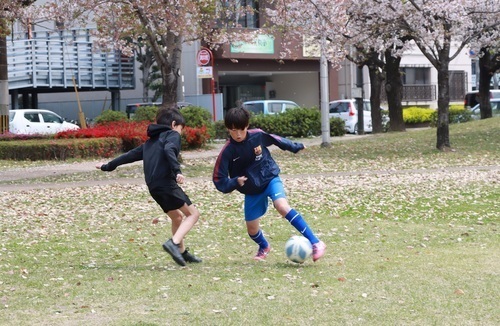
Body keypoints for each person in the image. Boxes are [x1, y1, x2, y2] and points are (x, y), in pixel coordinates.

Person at [212, 107, 326, 261]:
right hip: (252, 190)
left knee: (282, 206)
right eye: (233, 130)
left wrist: (295, 146)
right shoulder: (227, 151)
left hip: (270, 177)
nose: (237, 134)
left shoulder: (257, 135)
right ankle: (264, 246)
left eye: (241, 129)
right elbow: (218, 179)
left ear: (247, 126)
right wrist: (234, 182)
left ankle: (316, 242)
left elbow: (276, 140)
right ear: (228, 129)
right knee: (252, 230)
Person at [96, 108, 201, 266]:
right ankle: (174, 242)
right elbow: (169, 149)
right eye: (181, 128)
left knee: (177, 217)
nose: (181, 132)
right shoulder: (172, 135)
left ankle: (182, 252)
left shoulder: (150, 143)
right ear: (174, 124)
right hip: (166, 183)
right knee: (193, 214)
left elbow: (129, 156)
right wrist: (177, 170)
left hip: (153, 187)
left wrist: (107, 166)